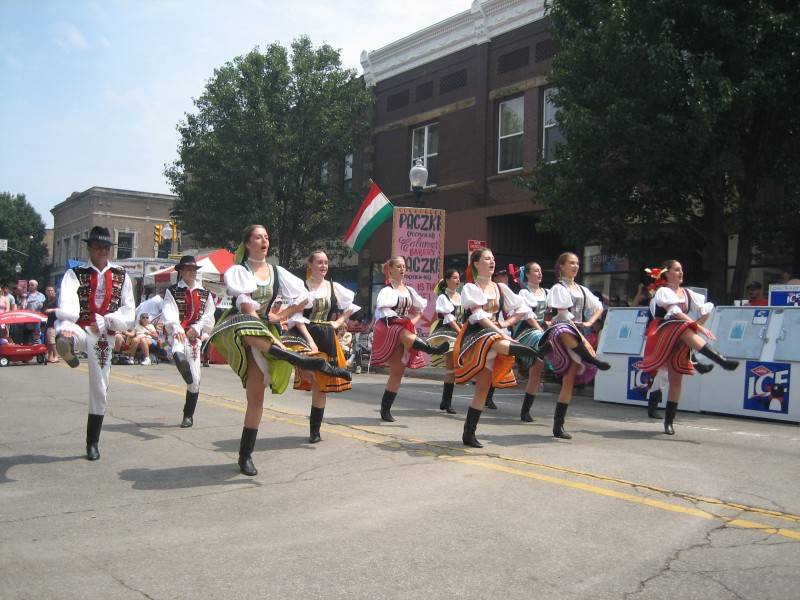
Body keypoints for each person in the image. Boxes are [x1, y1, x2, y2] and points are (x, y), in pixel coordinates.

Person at [208, 225, 350, 476]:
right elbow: (247, 308)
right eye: (258, 237)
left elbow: (304, 299)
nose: (264, 241)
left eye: (266, 237)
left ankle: (245, 455)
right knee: (250, 331)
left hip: (267, 330)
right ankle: (303, 361)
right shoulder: (240, 271)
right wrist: (267, 330)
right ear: (248, 243)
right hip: (244, 326)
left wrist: (281, 316)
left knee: (256, 399)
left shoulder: (277, 272)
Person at [54, 226, 135, 461]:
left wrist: (110, 319)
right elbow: (67, 301)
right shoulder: (75, 273)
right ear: (89, 248)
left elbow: (129, 310)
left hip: (103, 335)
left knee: (100, 387)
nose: (102, 251)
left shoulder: (121, 275)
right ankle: (67, 345)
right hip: (82, 327)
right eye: (98, 246)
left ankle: (92, 443)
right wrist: (69, 321)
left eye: (106, 247)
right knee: (67, 332)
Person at [635, 260, 738, 434]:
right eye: (677, 270)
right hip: (661, 333)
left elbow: (705, 311)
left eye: (681, 269)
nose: (681, 272)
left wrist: (696, 326)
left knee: (676, 380)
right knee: (680, 330)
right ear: (667, 273)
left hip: (679, 334)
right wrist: (698, 328)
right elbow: (676, 313)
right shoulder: (663, 291)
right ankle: (719, 360)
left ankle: (669, 421)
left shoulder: (689, 294)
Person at [454, 248, 543, 447]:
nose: (492, 262)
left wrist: (506, 323)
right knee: (494, 339)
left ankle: (469, 433)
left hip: (495, 336)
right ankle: (529, 351)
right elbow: (478, 316)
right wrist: (502, 333)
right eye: (487, 258)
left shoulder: (500, 288)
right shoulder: (470, 288)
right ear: (476, 264)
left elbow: (523, 309)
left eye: (493, 258)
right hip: (476, 336)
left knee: (482, 389)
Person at [280, 250, 360, 442]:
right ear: (310, 265)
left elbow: (351, 306)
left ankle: (314, 431)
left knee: (321, 386)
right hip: (306, 333)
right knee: (311, 373)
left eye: (325, 262)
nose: (323, 266)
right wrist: (310, 340)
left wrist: (338, 322)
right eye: (319, 262)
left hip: (326, 335)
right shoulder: (302, 288)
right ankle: (326, 371)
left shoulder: (333, 287)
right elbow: (297, 317)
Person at [371, 256, 449, 422]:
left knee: (397, 372)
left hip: (402, 327)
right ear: (390, 269)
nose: (402, 269)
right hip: (388, 327)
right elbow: (383, 312)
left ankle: (385, 409)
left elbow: (419, 310)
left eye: (404, 266)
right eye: (398, 266)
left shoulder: (409, 291)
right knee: (401, 331)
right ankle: (432, 349)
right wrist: (403, 322)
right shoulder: (387, 291)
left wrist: (411, 322)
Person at [541, 252, 609, 440]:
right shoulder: (558, 288)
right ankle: (592, 359)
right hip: (560, 330)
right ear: (561, 266)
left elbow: (599, 307)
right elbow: (562, 315)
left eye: (577, 263)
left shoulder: (582, 290)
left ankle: (558, 425)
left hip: (577, 332)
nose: (575, 266)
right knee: (564, 329)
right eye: (571, 263)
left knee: (569, 379)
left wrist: (589, 323)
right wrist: (583, 338)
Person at [162, 255, 216, 428]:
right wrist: (177, 327)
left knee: (195, 380)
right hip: (179, 332)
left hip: (194, 336)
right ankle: (180, 361)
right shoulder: (172, 291)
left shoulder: (205, 293)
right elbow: (169, 311)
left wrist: (198, 328)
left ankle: (188, 415)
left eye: (193, 269)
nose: (191, 272)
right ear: (181, 271)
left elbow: (209, 316)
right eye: (188, 269)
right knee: (177, 347)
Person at [514, 261, 550, 422]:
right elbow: (528, 316)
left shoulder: (548, 293)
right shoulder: (524, 293)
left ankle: (525, 411)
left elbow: (551, 314)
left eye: (540, 270)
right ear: (527, 275)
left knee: (536, 372)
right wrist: (542, 330)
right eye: (536, 271)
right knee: (539, 339)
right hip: (527, 331)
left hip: (542, 332)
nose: (539, 273)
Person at [427, 269, 463, 414]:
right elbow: (449, 318)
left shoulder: (460, 296)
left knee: (454, 368)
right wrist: (460, 332)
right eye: (454, 277)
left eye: (458, 278)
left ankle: (445, 401)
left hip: (458, 330)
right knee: (451, 367)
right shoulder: (442, 297)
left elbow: (462, 317)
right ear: (447, 280)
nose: (457, 280)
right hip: (447, 332)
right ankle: (446, 402)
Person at [42, 285, 59, 362]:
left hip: (55, 322)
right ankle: (50, 355)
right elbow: (43, 311)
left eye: (51, 290)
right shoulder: (45, 301)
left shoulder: (57, 300)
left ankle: (56, 356)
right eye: (48, 290)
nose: (50, 292)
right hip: (47, 322)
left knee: (51, 340)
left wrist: (51, 310)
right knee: (48, 340)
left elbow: (60, 309)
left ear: (54, 292)